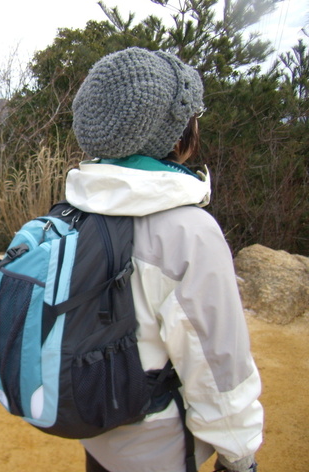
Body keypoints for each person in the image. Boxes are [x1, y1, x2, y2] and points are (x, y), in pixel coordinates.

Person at [68, 47, 263, 472]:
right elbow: (216, 362)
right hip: (159, 448)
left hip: (98, 430)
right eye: (193, 114)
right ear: (175, 137)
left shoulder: (76, 211)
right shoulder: (188, 232)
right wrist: (239, 454)